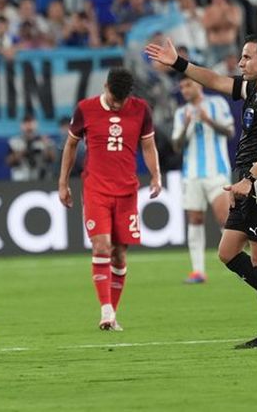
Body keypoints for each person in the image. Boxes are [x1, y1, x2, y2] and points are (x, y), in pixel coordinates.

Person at [145, 34, 257, 348]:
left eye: (247, 57)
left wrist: (250, 179)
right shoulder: (253, 88)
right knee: (227, 252)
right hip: (243, 178)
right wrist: (179, 64)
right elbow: (215, 79)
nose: (240, 63)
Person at [58, 68, 162, 331]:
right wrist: (63, 183)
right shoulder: (86, 109)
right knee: (101, 246)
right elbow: (70, 145)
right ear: (105, 87)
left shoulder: (141, 109)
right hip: (96, 188)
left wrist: (155, 176)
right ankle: (105, 311)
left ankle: (112, 313)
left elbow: (148, 145)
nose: (117, 104)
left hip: (127, 190)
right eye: (114, 98)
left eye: (122, 100)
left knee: (119, 254)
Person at [171, 76, 235, 283]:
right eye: (181, 87)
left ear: (198, 84)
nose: (184, 90)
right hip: (191, 174)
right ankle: (198, 271)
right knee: (195, 219)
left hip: (217, 172)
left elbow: (230, 131)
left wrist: (208, 120)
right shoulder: (181, 113)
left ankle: (236, 262)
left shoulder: (217, 103)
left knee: (224, 218)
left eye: (188, 85)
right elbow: (176, 146)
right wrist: (187, 125)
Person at [6, 113, 56, 181]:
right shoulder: (14, 141)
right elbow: (9, 162)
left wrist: (46, 146)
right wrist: (24, 151)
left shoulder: (44, 140)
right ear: (21, 125)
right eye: (25, 123)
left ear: (36, 124)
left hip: (41, 177)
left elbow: (52, 159)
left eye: (31, 122)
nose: (28, 126)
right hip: (22, 177)